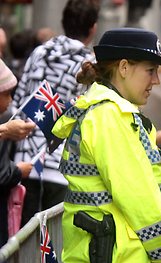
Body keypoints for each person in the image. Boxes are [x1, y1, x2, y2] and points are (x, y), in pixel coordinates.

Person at [51, 27, 161, 263]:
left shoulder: (108, 114)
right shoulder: (109, 118)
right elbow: (143, 203)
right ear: (123, 67)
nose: (156, 81)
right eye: (150, 71)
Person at [12, 0, 100, 227]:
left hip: (25, 162)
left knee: (23, 241)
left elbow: (19, 101)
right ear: (93, 28)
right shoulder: (90, 65)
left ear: (63, 22)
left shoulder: (39, 53)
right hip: (63, 167)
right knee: (51, 246)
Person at [0, 59, 35, 245]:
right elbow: (2, 174)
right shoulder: (4, 120)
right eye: (6, 94)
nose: (11, 100)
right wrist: (19, 171)